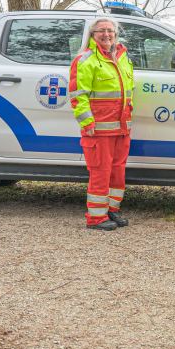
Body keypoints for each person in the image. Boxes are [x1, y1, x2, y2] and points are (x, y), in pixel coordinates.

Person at [70, 18, 134, 231]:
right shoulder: (85, 59)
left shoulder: (123, 57)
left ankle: (111, 210)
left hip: (121, 128)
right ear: (92, 34)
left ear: (116, 34)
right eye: (101, 31)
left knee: (117, 172)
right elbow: (79, 95)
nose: (106, 34)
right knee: (100, 172)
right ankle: (96, 218)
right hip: (99, 129)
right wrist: (87, 122)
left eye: (110, 30)